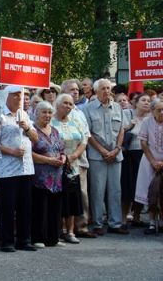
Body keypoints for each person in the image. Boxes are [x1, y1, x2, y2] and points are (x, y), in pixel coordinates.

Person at [83, 79, 128, 235]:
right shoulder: (87, 109)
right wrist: (103, 151)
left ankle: (115, 223)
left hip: (116, 155)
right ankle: (97, 223)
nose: (107, 91)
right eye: (103, 88)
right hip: (97, 156)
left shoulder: (117, 107)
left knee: (116, 190)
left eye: (109, 88)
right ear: (96, 91)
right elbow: (88, 134)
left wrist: (116, 149)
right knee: (97, 190)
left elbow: (122, 130)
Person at [0, 85, 38, 252]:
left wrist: (27, 127)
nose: (18, 98)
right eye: (14, 95)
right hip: (8, 169)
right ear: (6, 97)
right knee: (8, 206)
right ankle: (6, 241)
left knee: (25, 206)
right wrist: (11, 151)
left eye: (20, 95)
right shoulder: (0, 116)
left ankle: (24, 239)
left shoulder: (25, 114)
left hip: (26, 167)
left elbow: (35, 138)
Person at [60, 79, 96, 238]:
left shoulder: (80, 113)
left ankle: (82, 226)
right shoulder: (57, 112)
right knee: (65, 196)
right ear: (63, 92)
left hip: (79, 159)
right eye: (71, 89)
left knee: (82, 194)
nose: (75, 92)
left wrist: (76, 155)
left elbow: (86, 136)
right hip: (62, 161)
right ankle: (63, 228)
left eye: (77, 90)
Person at [52, 94, 87, 244]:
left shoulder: (75, 120)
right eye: (65, 103)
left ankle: (71, 231)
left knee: (72, 199)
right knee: (58, 199)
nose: (68, 106)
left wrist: (73, 156)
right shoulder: (51, 120)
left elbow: (84, 140)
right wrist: (61, 158)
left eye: (70, 104)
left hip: (73, 165)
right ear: (57, 104)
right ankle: (58, 231)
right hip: (55, 166)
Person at [31, 101, 66, 248]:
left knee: (55, 207)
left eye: (50, 112)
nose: (47, 115)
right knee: (39, 207)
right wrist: (49, 160)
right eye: (44, 112)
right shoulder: (32, 131)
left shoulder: (56, 131)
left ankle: (54, 238)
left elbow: (62, 150)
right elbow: (29, 153)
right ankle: (38, 238)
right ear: (37, 113)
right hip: (40, 177)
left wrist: (63, 158)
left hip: (56, 177)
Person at [121, 94, 150, 227]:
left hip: (144, 155)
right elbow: (122, 130)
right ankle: (124, 217)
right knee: (128, 185)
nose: (146, 103)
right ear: (135, 103)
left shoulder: (151, 117)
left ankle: (137, 216)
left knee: (142, 186)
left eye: (149, 101)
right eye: (143, 100)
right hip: (129, 154)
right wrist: (129, 127)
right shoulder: (127, 113)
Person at [134, 98, 163, 234]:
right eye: (159, 110)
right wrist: (153, 161)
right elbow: (143, 143)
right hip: (148, 161)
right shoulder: (146, 122)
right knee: (150, 192)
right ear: (152, 111)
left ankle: (161, 223)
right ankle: (151, 223)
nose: (162, 112)